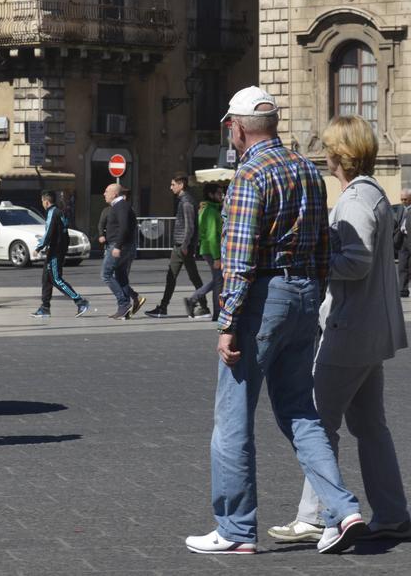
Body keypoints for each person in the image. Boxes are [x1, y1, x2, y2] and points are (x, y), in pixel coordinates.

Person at [185, 86, 365, 556]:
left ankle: (235, 529)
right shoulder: (307, 169)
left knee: (232, 418)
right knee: (302, 413)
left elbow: (239, 259)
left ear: (237, 128)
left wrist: (227, 323)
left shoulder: (249, 175)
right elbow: (325, 243)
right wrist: (314, 295)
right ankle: (343, 510)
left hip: (263, 298)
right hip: (304, 293)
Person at [267, 116, 410, 545]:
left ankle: (315, 516)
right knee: (370, 426)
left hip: (348, 330)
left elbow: (358, 260)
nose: (324, 155)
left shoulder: (353, 200)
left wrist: (315, 255)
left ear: (339, 154)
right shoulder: (373, 194)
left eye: (328, 148)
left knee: (318, 422)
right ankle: (391, 511)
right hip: (371, 329)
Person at [145, 173, 206, 317]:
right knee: (172, 277)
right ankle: (163, 307)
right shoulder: (184, 201)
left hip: (183, 246)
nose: (170, 187)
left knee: (192, 277)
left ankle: (203, 307)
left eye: (173, 185)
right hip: (180, 246)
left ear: (181, 185)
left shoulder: (186, 202)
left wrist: (185, 245)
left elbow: (190, 226)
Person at [31, 190, 91, 319]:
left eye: (42, 201)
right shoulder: (59, 212)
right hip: (57, 250)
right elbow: (64, 232)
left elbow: (49, 233)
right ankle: (45, 308)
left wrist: (39, 247)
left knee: (56, 279)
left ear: (46, 201)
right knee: (46, 279)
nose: (42, 203)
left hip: (55, 251)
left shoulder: (52, 213)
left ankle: (80, 301)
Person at [102, 183, 144, 320]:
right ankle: (125, 308)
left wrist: (118, 246)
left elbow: (124, 227)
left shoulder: (121, 206)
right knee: (120, 275)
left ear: (115, 194)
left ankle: (124, 304)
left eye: (107, 191)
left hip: (119, 245)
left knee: (106, 274)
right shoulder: (120, 206)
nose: (104, 194)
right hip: (124, 245)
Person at [185, 183, 225, 320]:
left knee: (219, 279)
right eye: (219, 193)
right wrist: (217, 257)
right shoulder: (210, 212)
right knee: (219, 281)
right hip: (212, 250)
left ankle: (193, 299)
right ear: (211, 195)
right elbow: (212, 237)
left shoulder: (210, 209)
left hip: (209, 250)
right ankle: (217, 312)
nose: (222, 196)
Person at [397, 189, 411, 298]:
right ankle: (403, 290)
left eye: (405, 199)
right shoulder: (401, 208)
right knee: (402, 265)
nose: (403, 201)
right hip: (403, 240)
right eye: (401, 199)